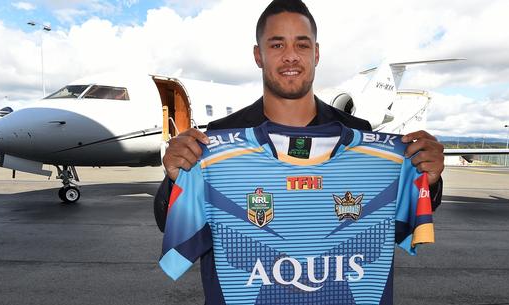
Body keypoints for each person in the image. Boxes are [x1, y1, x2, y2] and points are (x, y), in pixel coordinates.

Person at [153, 0, 445, 231]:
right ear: (258, 55)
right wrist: (176, 180)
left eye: (302, 45)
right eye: (277, 44)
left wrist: (426, 180)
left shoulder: (360, 136)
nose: (291, 55)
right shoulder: (218, 141)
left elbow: (392, 223)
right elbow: (173, 226)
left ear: (316, 54)